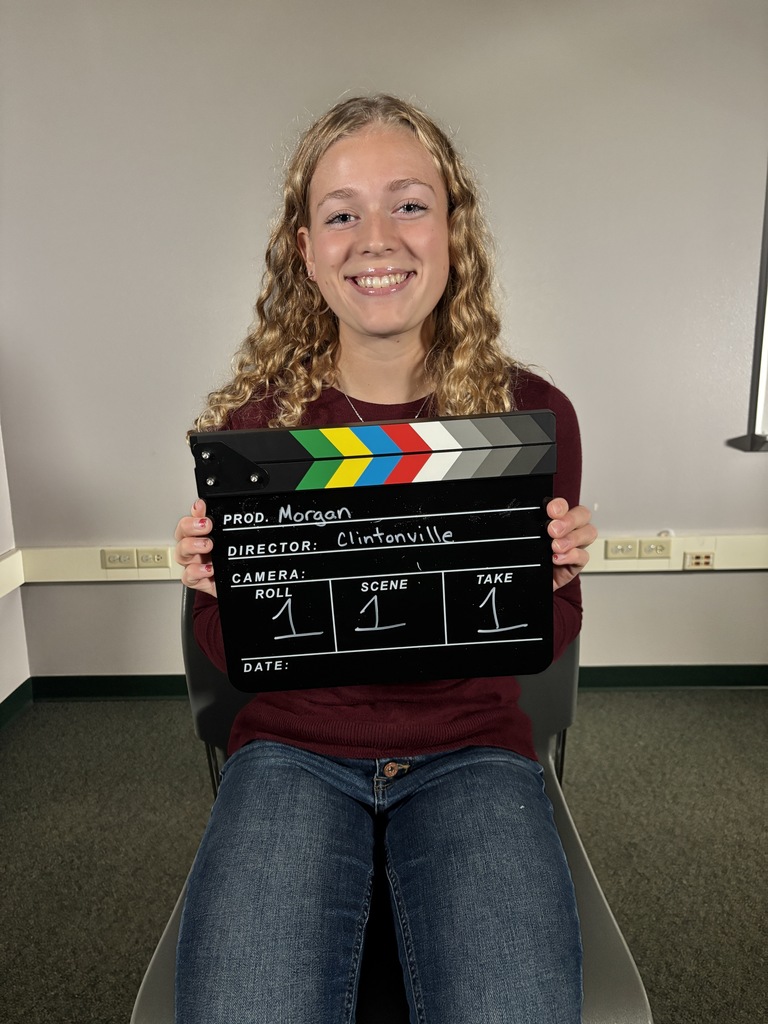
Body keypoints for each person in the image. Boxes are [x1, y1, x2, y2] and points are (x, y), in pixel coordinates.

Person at [173, 94, 597, 1024]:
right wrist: (218, 588)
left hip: (474, 746)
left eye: (409, 203)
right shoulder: (257, 428)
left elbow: (546, 635)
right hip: (289, 750)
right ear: (305, 248)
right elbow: (231, 651)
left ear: (455, 228)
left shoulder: (534, 415)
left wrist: (552, 580)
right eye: (341, 212)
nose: (377, 238)